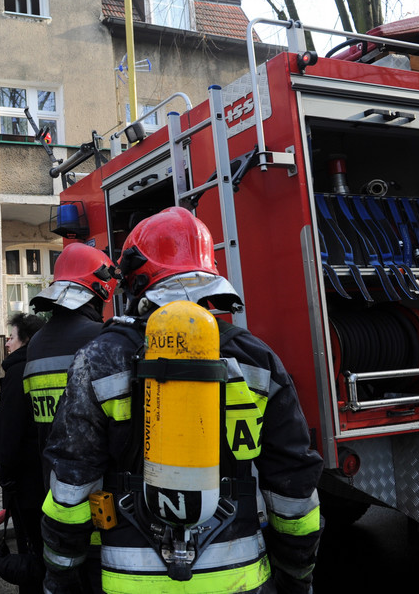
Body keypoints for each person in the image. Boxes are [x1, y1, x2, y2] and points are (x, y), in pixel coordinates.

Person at [41, 207, 324, 594]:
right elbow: (293, 485)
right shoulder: (257, 357)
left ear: (136, 277)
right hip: (240, 579)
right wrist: (297, 575)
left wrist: (62, 576)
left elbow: (71, 488)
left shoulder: (98, 359)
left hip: (131, 581)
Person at [23, 242, 117, 594]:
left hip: (56, 500)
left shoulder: (35, 344)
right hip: (102, 505)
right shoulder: (100, 339)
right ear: (98, 290)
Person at [0, 311, 47, 593]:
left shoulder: (17, 372)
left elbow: (10, 430)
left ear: (25, 341)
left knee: (29, 547)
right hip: (45, 476)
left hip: (24, 483)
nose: (6, 344)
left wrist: (4, 471)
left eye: (11, 337)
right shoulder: (44, 368)